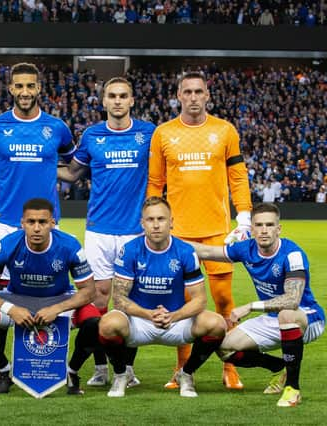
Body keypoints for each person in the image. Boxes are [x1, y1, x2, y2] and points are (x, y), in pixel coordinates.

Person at [147, 71, 252, 390]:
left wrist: (244, 217)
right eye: (187, 92)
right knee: (181, 304)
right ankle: (182, 368)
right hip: (178, 235)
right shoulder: (163, 133)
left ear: (208, 95)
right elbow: (155, 182)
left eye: (199, 91)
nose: (193, 97)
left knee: (223, 301)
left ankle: (230, 366)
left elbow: (238, 176)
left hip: (218, 232)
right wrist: (152, 219)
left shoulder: (225, 130)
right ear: (178, 96)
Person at [0, 62, 76, 386]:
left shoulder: (57, 127)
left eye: (30, 86)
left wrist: (49, 172)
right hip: (7, 221)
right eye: (18, 86)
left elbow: (71, 166)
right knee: (1, 295)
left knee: (51, 288)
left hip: (49, 222)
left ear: (39, 88)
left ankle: (46, 360)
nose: (24, 92)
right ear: (10, 89)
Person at [57, 77, 155, 387]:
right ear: (103, 101)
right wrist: (35, 164)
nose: (117, 101)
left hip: (133, 232)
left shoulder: (148, 134)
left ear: (132, 100)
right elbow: (72, 174)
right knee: (98, 300)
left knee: (127, 301)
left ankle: (125, 369)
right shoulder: (91, 135)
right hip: (99, 229)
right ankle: (101, 368)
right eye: (111, 96)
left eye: (123, 96)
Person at [189, 203, 324, 407]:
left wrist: (250, 306)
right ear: (251, 229)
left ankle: (293, 389)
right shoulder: (247, 248)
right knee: (225, 349)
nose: (263, 230)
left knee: (286, 314)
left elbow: (292, 300)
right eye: (258, 225)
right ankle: (279, 367)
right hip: (272, 317)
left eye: (269, 225)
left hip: (307, 317)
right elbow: (207, 251)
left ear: (278, 229)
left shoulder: (292, 254)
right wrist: (169, 241)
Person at [0, 198, 101, 394]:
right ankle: (4, 371)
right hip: (17, 299)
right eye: (31, 222)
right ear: (22, 223)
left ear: (52, 223)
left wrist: (57, 308)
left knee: (94, 321)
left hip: (59, 299)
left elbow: (89, 291)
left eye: (43, 222)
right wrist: (11, 309)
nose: (37, 228)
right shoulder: (7, 245)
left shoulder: (69, 245)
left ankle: (71, 372)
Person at [99, 197, 227, 398]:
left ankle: (186, 373)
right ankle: (121, 374)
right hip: (139, 321)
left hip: (174, 321)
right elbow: (119, 299)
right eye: (150, 220)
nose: (156, 225)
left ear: (171, 222)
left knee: (217, 324)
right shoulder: (130, 250)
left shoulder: (185, 251)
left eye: (161, 219)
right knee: (107, 324)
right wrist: (148, 314)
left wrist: (173, 316)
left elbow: (200, 299)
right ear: (143, 223)